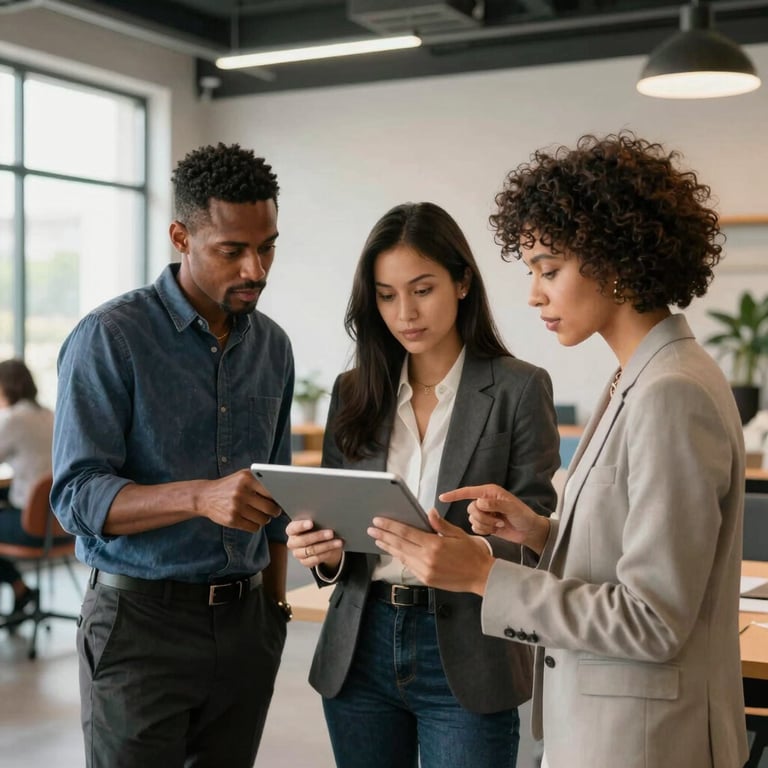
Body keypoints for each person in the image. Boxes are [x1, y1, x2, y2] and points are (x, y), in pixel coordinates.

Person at [368, 133, 749, 768]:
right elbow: (630, 549)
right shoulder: (640, 378)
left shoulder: (670, 393)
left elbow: (652, 619)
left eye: (549, 270)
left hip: (643, 740)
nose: (534, 294)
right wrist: (544, 533)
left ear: (618, 261)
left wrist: (483, 574)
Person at [286, 201, 560, 768]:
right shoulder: (353, 391)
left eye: (422, 289)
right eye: (386, 295)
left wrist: (478, 550)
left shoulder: (519, 388)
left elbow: (540, 535)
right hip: (360, 644)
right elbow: (337, 529)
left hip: (466, 646)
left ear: (462, 282)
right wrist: (324, 553)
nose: (404, 312)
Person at [51, 143, 295, 768]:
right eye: (232, 251)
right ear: (181, 236)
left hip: (246, 628)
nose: (256, 269)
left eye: (266, 245)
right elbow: (75, 497)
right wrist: (199, 496)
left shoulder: (272, 345)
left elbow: (277, 499)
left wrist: (273, 612)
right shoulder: (111, 337)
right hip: (138, 627)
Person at [0, 359, 55, 618]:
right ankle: (19, 588)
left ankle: (18, 586)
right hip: (62, 522)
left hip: (32, 526)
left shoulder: (14, 419)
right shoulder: (50, 415)